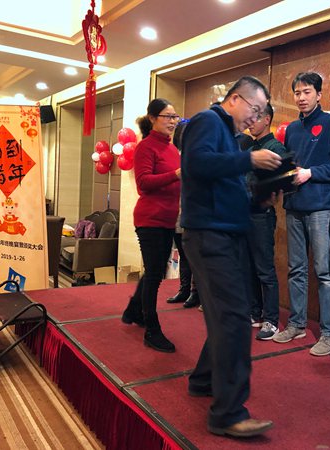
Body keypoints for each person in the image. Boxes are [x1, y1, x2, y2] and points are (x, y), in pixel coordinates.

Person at [181, 76, 282, 438]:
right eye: (255, 109)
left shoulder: (230, 135)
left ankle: (203, 380)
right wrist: (249, 159)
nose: (256, 118)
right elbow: (197, 164)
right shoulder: (208, 121)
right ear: (236, 99)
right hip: (210, 235)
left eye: (261, 113)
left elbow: (222, 186)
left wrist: (259, 199)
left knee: (224, 316)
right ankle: (227, 415)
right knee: (235, 319)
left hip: (225, 233)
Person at [273, 72, 330, 357]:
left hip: (321, 207)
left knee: (324, 272)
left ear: (319, 94)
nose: (301, 98)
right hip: (293, 205)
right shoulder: (292, 129)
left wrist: (310, 173)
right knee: (296, 269)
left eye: (307, 92)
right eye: (297, 93)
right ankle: (297, 324)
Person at [121, 98, 181, 353]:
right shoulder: (145, 147)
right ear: (153, 118)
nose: (173, 121)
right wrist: (176, 174)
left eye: (175, 117)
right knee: (155, 274)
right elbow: (144, 183)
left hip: (168, 219)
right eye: (168, 116)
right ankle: (152, 331)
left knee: (155, 270)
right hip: (150, 219)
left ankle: (133, 311)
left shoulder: (172, 148)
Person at [246, 103, 287, 340]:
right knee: (249, 267)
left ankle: (271, 320)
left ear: (267, 119)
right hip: (244, 213)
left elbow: (277, 184)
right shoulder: (249, 147)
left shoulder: (275, 148)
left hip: (261, 214)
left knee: (264, 269)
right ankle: (255, 312)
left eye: (256, 117)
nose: (251, 122)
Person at [166, 119, 202, 309]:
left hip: (193, 211)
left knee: (194, 254)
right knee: (182, 253)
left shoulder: (198, 156)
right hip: (176, 210)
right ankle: (184, 288)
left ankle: (195, 292)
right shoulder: (174, 156)